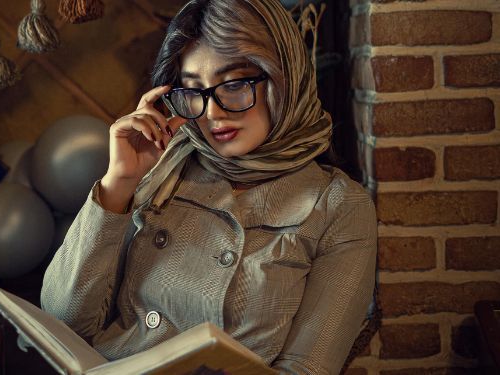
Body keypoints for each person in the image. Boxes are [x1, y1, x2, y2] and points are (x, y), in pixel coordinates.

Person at [41, 0, 377, 373]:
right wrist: (117, 184)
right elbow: (64, 323)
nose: (213, 112)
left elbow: (306, 368)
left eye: (234, 84)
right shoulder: (167, 166)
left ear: (285, 77)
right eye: (193, 90)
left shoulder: (338, 206)